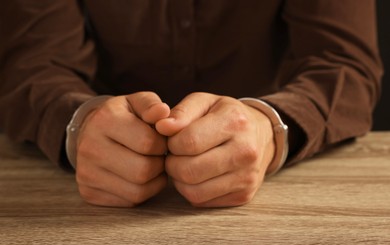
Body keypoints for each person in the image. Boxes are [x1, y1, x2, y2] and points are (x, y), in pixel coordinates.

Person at [0, 1, 382, 208]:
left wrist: (269, 127)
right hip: (95, 192)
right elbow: (33, 67)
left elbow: (344, 66)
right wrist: (79, 124)